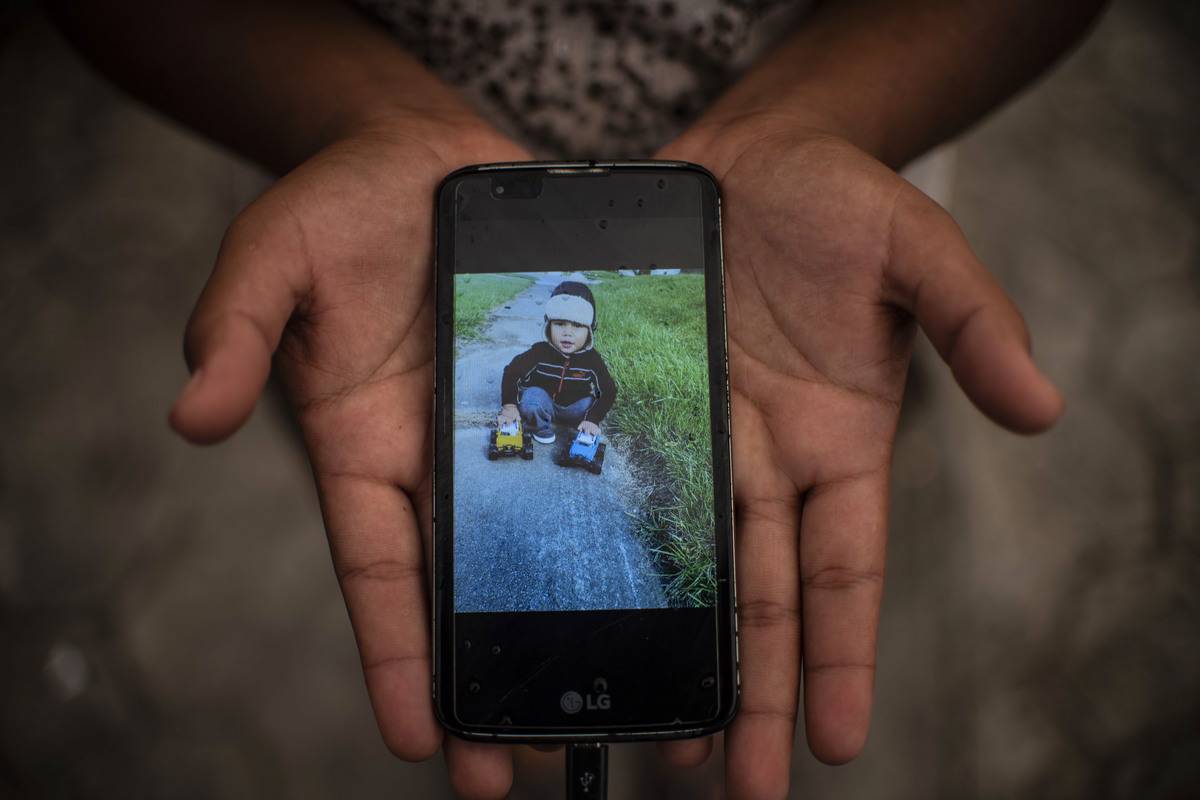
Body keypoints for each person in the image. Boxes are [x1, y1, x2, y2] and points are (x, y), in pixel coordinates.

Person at [49, 1, 1108, 798]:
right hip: (375, 247)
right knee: (451, 558)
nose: (563, 336)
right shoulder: (521, 362)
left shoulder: (594, 360)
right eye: (554, 326)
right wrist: (360, 115)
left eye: (573, 327)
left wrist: (818, 112)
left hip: (815, 255)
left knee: (762, 561)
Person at [497, 281, 616, 444]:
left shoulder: (592, 359)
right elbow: (512, 372)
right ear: (549, 325)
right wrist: (509, 405)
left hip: (575, 409)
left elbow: (608, 390)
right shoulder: (539, 352)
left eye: (577, 325)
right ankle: (539, 426)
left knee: (589, 402)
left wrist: (593, 418)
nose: (567, 333)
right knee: (531, 397)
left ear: (589, 330)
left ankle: (583, 428)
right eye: (559, 324)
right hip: (544, 404)